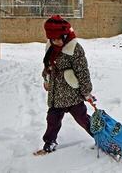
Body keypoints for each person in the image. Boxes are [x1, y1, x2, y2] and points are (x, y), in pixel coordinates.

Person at [41, 15, 94, 153]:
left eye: (59, 38)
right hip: (56, 95)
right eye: (53, 39)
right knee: (52, 119)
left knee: (83, 119)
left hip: (72, 95)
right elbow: (47, 66)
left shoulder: (74, 48)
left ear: (65, 36)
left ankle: (100, 136)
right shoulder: (50, 47)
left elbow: (82, 72)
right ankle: (50, 141)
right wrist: (46, 79)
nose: (56, 41)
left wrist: (86, 92)